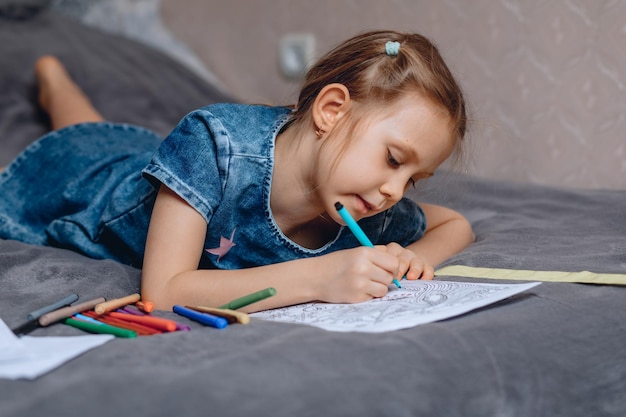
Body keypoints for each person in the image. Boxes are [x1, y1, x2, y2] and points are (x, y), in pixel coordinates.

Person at [0, 30, 474, 312]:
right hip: (90, 181)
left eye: (413, 179)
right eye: (393, 159)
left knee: (104, 131)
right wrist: (319, 277)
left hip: (161, 164)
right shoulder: (213, 143)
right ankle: (54, 79)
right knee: (82, 133)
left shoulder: (371, 207)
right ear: (331, 110)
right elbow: (164, 293)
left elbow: (454, 224)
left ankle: (59, 86)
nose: (394, 190)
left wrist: (415, 258)